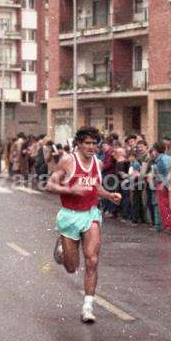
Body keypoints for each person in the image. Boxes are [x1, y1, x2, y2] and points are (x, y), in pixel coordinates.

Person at [47, 127, 121, 324]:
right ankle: (62, 249)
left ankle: (88, 307)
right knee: (72, 267)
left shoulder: (97, 163)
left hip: (90, 214)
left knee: (92, 260)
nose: (91, 147)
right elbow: (50, 185)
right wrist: (70, 189)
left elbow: (95, 186)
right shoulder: (67, 160)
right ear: (79, 143)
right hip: (69, 215)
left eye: (94, 143)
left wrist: (109, 195)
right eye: (87, 143)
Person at [153, 141, 171, 232]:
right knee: (165, 206)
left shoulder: (161, 159)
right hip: (164, 183)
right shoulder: (166, 157)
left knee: (164, 206)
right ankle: (167, 225)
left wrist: (164, 184)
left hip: (162, 184)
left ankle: (168, 225)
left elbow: (167, 172)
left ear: (156, 150)